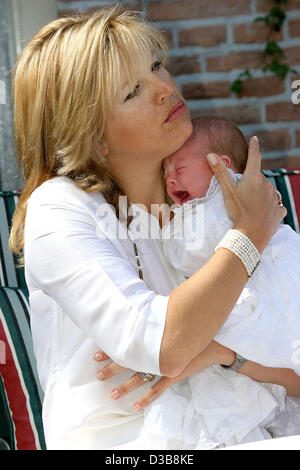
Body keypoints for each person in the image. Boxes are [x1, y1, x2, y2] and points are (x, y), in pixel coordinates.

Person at [8, 6, 297, 450]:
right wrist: (249, 236)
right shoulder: (59, 211)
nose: (166, 89)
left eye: (157, 65)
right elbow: (160, 342)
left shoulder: (204, 198)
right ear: (93, 136)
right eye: (132, 92)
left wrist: (227, 355)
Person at [162, 116, 300, 375]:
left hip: (270, 289)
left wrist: (165, 234)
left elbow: (188, 255)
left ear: (221, 166)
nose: (169, 180)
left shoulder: (217, 202)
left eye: (178, 169)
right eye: (165, 173)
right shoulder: (257, 193)